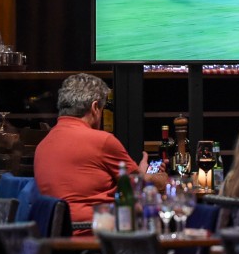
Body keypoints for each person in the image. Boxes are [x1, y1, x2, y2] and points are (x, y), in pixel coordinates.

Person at [33, 73, 165, 232]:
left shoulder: (43, 144)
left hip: (54, 235)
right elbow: (141, 185)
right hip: (93, 233)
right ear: (95, 107)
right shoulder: (102, 141)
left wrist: (138, 174)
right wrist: (162, 180)